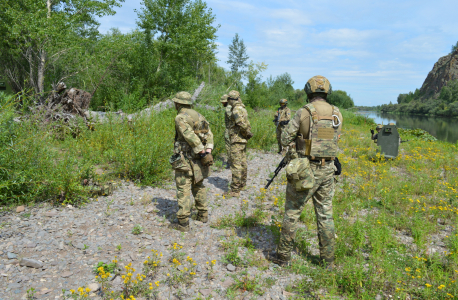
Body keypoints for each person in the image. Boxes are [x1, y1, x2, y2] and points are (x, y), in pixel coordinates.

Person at [273, 75, 343, 269]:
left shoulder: (304, 112)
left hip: (306, 168)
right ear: (327, 91)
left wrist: (299, 141)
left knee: (293, 212)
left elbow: (286, 138)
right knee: (325, 215)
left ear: (308, 91)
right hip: (328, 169)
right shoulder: (337, 113)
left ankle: (283, 256)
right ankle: (327, 261)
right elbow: (333, 138)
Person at [169, 91, 214, 232]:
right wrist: (207, 151)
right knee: (198, 184)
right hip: (199, 158)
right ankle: (203, 214)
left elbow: (189, 136)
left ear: (178, 103)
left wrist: (201, 151)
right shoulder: (199, 116)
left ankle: (183, 223)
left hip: (185, 157)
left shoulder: (180, 117)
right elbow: (209, 134)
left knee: (183, 187)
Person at [223, 90, 253, 198]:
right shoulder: (242, 108)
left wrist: (246, 133)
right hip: (242, 139)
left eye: (229, 99)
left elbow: (241, 124)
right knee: (243, 162)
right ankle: (242, 184)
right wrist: (246, 135)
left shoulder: (235, 109)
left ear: (231, 99)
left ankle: (235, 190)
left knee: (236, 164)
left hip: (237, 139)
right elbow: (246, 123)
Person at [220, 94, 232, 167]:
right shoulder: (233, 107)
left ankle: (230, 162)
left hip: (229, 129)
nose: (222, 103)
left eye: (223, 102)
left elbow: (231, 118)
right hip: (233, 129)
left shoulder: (228, 108)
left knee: (228, 146)